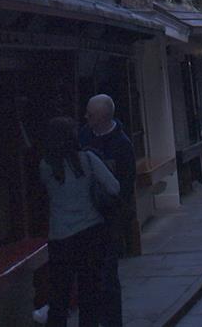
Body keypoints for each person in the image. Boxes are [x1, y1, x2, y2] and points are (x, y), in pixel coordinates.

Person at [40, 116, 119, 327]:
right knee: (89, 293)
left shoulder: (46, 166)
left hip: (60, 237)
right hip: (90, 232)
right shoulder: (87, 160)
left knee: (59, 296)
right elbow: (114, 187)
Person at [79, 94, 136, 327]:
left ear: (102, 118)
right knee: (89, 278)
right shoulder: (82, 137)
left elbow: (125, 186)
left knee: (108, 277)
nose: (86, 117)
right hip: (85, 218)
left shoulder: (122, 145)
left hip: (108, 220)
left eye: (90, 115)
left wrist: (116, 217)